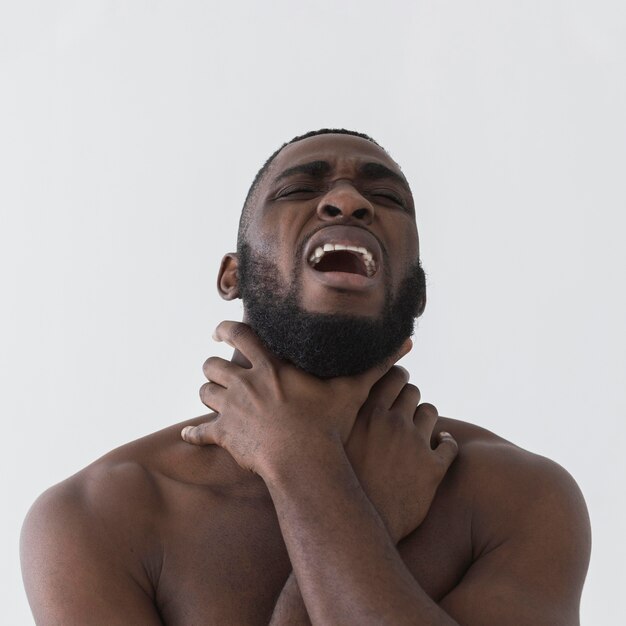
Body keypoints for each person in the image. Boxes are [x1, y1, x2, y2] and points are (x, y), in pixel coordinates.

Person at [21, 129, 591, 625]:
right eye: (300, 189)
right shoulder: (94, 519)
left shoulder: (521, 498)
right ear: (232, 275)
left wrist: (302, 467)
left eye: (385, 197)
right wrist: (346, 497)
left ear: (416, 292)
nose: (347, 200)